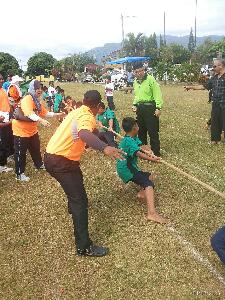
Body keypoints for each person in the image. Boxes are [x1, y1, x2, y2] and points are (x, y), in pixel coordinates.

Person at [44, 90, 124, 257]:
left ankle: (73, 207)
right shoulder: (87, 116)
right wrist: (104, 148)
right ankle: (84, 247)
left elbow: (94, 133)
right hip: (61, 161)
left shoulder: (79, 111)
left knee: (77, 182)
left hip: (54, 157)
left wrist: (109, 140)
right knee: (79, 201)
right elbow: (84, 133)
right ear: (96, 106)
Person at [116, 117, 168, 224]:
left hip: (129, 166)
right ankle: (151, 214)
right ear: (134, 128)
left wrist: (148, 149)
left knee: (149, 176)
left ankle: (142, 193)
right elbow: (139, 154)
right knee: (148, 184)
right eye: (137, 125)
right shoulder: (128, 141)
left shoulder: (132, 137)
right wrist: (153, 159)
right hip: (126, 168)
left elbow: (141, 147)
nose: (138, 127)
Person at [12, 80, 63, 182]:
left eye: (40, 88)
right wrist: (41, 120)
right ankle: (19, 174)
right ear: (32, 89)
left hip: (32, 130)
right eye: (37, 88)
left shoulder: (36, 100)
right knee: (20, 153)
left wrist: (56, 114)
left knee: (35, 149)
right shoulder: (28, 98)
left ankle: (39, 164)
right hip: (21, 131)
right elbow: (29, 113)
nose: (39, 90)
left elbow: (44, 112)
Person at [184, 59, 225, 144]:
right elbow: (204, 86)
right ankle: (215, 140)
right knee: (215, 122)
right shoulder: (214, 78)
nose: (213, 68)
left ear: (220, 66)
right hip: (215, 103)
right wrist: (191, 87)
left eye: (214, 66)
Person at [132, 62, 163, 157]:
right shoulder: (135, 82)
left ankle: (156, 152)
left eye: (141, 70)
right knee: (141, 131)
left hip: (150, 108)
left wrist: (158, 107)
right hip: (140, 108)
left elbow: (157, 93)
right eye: (137, 72)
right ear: (134, 72)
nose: (140, 73)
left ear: (144, 70)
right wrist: (134, 104)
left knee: (152, 131)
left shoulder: (150, 79)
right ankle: (144, 151)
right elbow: (137, 95)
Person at [0, 73, 13, 173]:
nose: (1, 81)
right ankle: (1, 165)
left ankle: (7, 156)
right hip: (2, 120)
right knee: (2, 142)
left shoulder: (3, 90)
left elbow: (7, 103)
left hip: (7, 117)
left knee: (8, 139)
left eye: (2, 79)